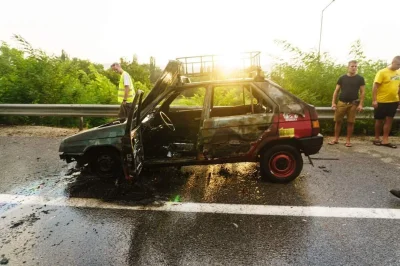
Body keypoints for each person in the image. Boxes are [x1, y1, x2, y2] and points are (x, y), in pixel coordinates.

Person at [328, 60, 365, 147]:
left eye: (356, 66)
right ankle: (335, 139)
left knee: (350, 122)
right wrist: (333, 103)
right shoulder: (342, 78)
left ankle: (348, 140)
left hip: (353, 103)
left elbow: (362, 92)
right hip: (341, 102)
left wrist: (360, 104)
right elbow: (336, 91)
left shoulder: (360, 78)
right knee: (338, 121)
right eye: (352, 66)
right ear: (348, 67)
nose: (354, 68)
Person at [372, 56, 400, 149]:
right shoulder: (382, 72)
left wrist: (399, 100)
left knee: (389, 120)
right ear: (393, 62)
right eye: (398, 64)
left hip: (393, 101)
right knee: (379, 120)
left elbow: (398, 87)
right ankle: (376, 138)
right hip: (381, 101)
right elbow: (375, 86)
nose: (398, 67)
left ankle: (385, 140)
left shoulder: (398, 72)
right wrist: (374, 100)